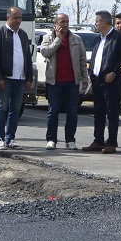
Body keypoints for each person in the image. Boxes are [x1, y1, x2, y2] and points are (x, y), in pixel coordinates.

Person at [38, 12, 88, 149]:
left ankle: (70, 140)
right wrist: (58, 40)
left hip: (72, 81)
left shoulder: (76, 39)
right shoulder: (48, 37)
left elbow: (83, 60)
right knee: (53, 111)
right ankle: (51, 139)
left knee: (72, 112)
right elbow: (45, 52)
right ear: (56, 24)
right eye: (62, 22)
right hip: (55, 82)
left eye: (67, 21)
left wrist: (84, 78)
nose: (65, 25)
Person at [83, 10, 121, 153]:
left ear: (103, 22)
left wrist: (114, 72)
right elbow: (95, 57)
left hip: (110, 81)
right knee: (98, 112)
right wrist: (91, 74)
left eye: (96, 21)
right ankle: (98, 140)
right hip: (97, 81)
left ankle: (111, 143)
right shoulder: (98, 38)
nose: (95, 24)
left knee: (112, 111)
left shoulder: (118, 37)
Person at [0, 6, 33, 149]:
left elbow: (28, 57)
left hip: (20, 79)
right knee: (2, 108)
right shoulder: (0, 34)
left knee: (15, 109)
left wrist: (29, 78)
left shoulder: (23, 35)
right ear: (7, 17)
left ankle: (10, 138)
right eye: (15, 18)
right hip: (6, 78)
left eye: (20, 18)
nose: (18, 20)